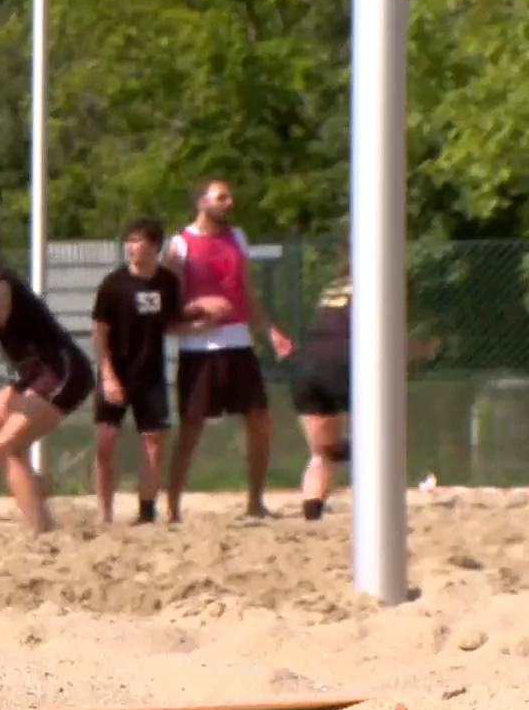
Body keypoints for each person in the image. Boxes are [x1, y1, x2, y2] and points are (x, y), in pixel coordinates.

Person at [0, 211, 96, 534]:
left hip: (61, 370)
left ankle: (44, 531)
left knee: (6, 448)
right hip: (34, 375)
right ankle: (33, 485)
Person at [160, 178, 295, 522]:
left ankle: (255, 500)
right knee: (192, 429)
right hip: (199, 346)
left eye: (229, 196)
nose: (228, 202)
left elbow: (247, 293)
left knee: (260, 421)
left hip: (238, 342)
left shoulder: (237, 238)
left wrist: (269, 330)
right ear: (201, 202)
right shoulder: (180, 244)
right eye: (221, 197)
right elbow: (169, 303)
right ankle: (173, 506)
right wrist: (199, 308)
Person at [289, 257, 441, 520]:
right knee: (380, 440)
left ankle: (312, 512)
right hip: (344, 364)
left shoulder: (334, 287)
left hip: (306, 366)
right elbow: (386, 339)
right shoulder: (379, 283)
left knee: (323, 451)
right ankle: (378, 508)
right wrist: (423, 348)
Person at [90, 218, 190, 524]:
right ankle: (105, 512)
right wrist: (107, 374)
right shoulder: (113, 284)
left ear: (155, 246)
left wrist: (203, 320)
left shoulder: (167, 283)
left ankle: (146, 511)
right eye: (129, 241)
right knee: (105, 442)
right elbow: (99, 330)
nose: (132, 247)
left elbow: (173, 323)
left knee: (154, 442)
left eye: (139, 241)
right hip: (117, 370)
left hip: (150, 371)